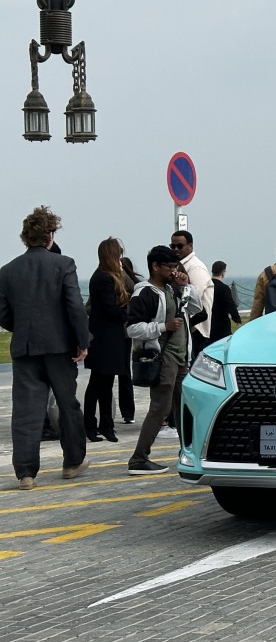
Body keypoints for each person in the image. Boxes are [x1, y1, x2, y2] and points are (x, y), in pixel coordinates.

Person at [0, 206, 91, 489]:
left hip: (25, 347)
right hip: (59, 346)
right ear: (50, 235)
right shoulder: (64, 264)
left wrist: (24, 327)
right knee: (68, 405)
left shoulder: (7, 271)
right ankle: (72, 462)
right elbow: (75, 306)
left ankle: (26, 473)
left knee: (26, 411)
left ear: (25, 237)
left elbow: (3, 313)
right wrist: (83, 341)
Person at [125, 246, 202, 475]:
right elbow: (132, 328)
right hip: (163, 356)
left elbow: (197, 309)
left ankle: (188, 453)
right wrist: (162, 327)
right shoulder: (144, 292)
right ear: (155, 267)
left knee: (183, 408)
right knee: (160, 408)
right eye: (168, 267)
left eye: (175, 267)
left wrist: (185, 285)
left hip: (180, 357)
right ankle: (139, 459)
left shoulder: (173, 289)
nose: (172, 271)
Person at [83, 237, 129, 443]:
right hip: (105, 339)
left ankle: (102, 424)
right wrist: (127, 313)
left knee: (103, 383)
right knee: (99, 384)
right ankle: (95, 425)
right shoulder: (104, 278)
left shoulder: (103, 276)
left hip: (106, 338)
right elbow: (110, 309)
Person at [170, 230, 213, 360]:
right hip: (184, 326)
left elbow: (195, 297)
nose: (176, 249)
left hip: (196, 328)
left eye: (180, 246)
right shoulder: (179, 265)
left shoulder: (195, 267)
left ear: (190, 246)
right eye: (173, 246)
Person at [117, 256, 140, 423]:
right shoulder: (133, 284)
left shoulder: (126, 282)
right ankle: (128, 413)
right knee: (124, 372)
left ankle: (128, 412)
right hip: (124, 331)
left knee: (123, 372)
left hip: (123, 331)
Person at [208, 260, 242, 342]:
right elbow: (230, 305)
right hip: (221, 325)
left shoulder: (206, 286)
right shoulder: (224, 288)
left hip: (207, 323)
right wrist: (237, 319)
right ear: (223, 273)